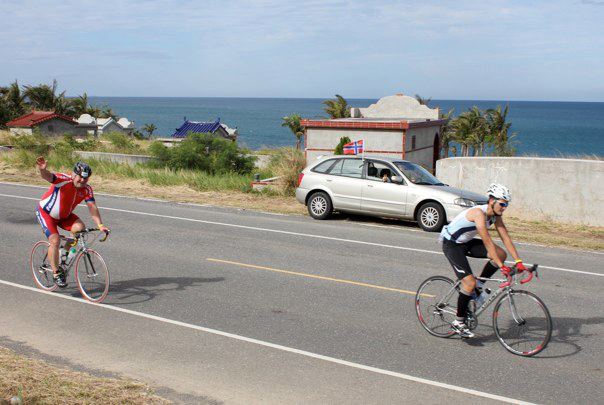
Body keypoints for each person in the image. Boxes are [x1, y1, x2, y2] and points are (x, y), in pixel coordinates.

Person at [439, 183, 526, 338]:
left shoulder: (496, 216)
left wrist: (518, 260)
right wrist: (501, 267)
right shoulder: (479, 213)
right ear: (492, 200)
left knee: (501, 254)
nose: (505, 207)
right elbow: (487, 241)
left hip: (465, 242)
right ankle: (458, 322)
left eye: (506, 204)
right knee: (469, 283)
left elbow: (504, 236)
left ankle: (479, 286)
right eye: (503, 204)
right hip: (451, 244)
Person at [35, 157, 110, 288]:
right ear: (73, 175)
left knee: (79, 229)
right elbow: (48, 177)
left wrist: (100, 225)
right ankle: (56, 273)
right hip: (47, 214)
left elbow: (92, 207)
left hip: (64, 216)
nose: (82, 181)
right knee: (55, 240)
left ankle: (63, 256)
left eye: (85, 179)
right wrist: (43, 170)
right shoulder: (63, 180)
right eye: (80, 177)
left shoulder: (86, 189)